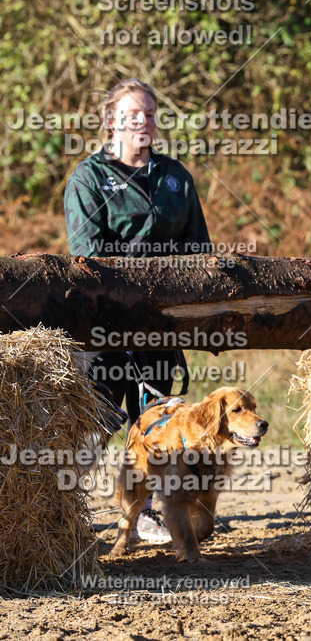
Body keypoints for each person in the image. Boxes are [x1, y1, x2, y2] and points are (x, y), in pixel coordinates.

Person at [64, 78, 211, 543]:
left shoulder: (176, 178)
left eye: (149, 113)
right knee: (98, 421)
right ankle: (59, 505)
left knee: (152, 422)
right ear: (112, 122)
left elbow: (198, 253)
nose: (143, 122)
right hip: (106, 325)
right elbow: (87, 256)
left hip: (160, 329)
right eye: (133, 114)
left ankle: (143, 512)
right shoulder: (88, 178)